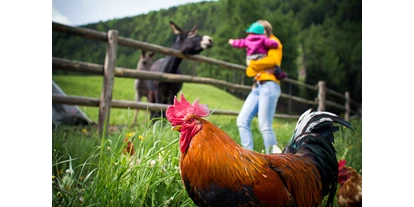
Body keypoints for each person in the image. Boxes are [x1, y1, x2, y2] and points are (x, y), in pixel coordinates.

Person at [236, 20, 284, 154]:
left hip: (269, 85)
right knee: (242, 120)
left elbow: (272, 61)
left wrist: (253, 64)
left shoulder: (274, 42)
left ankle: (275, 160)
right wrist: (259, 66)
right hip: (257, 86)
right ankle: (248, 157)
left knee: (265, 125)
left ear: (266, 31)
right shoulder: (257, 46)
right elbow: (249, 70)